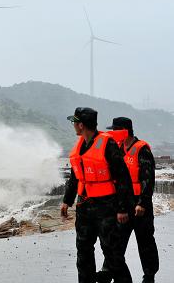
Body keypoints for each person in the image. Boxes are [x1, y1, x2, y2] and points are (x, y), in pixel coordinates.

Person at [60, 107, 134, 283]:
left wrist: (122, 209)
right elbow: (75, 177)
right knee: (83, 251)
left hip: (106, 207)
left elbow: (123, 178)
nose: (73, 126)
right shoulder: (79, 148)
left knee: (112, 253)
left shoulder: (107, 145)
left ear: (81, 125)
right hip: (84, 206)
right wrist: (66, 201)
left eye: (74, 122)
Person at [97, 117, 159, 283]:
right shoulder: (117, 149)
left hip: (139, 205)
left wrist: (143, 203)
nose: (112, 134)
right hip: (122, 204)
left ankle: (149, 275)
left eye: (115, 130)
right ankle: (108, 269)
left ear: (124, 131)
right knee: (115, 240)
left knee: (145, 241)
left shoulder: (141, 150)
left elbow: (148, 179)